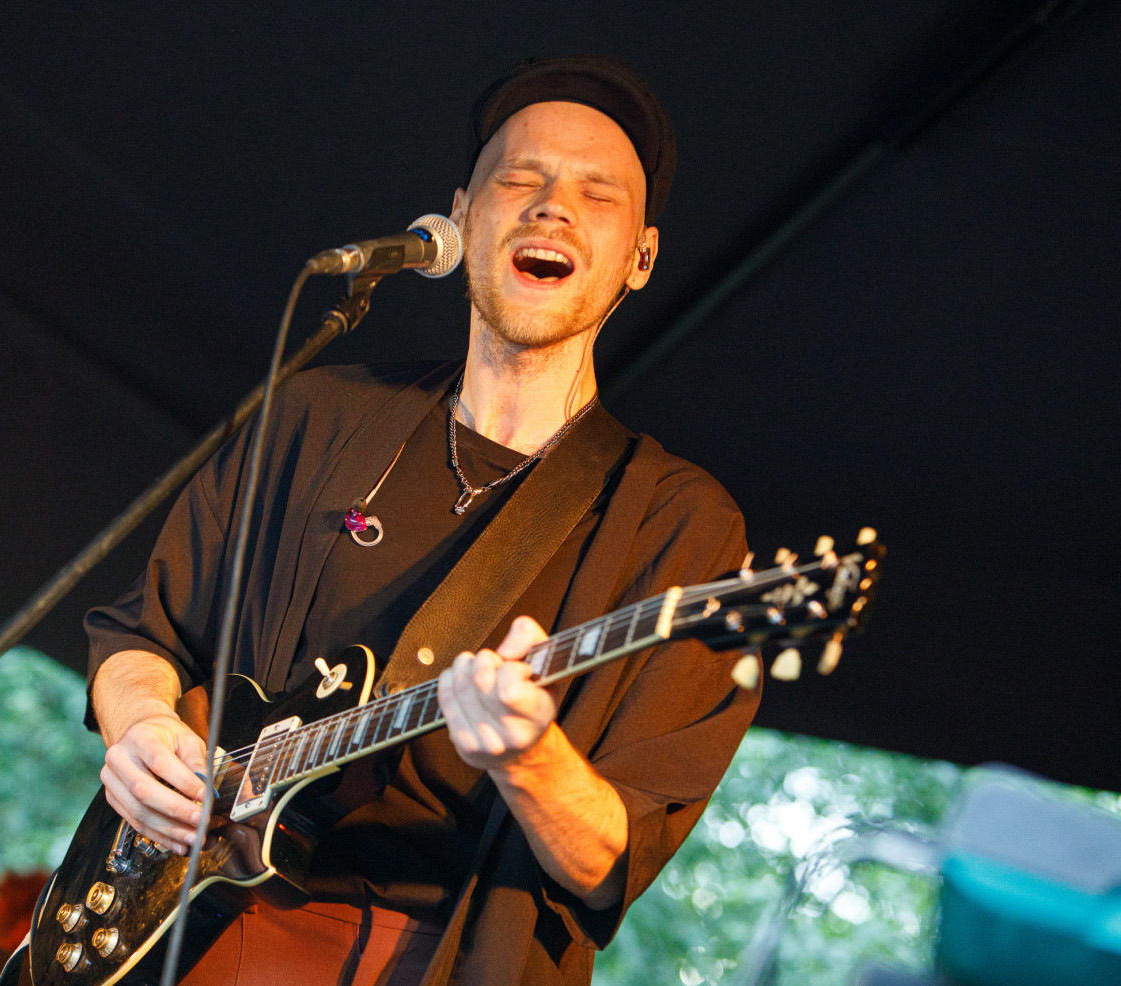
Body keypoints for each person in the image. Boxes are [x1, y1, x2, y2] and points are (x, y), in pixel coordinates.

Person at [84, 55, 757, 986]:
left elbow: (612, 859)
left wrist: (530, 758)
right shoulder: (316, 414)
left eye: (595, 194)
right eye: (519, 180)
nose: (551, 208)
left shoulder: (679, 527)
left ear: (640, 258)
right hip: (189, 927)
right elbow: (142, 632)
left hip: (426, 958)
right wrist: (138, 729)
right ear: (461, 218)